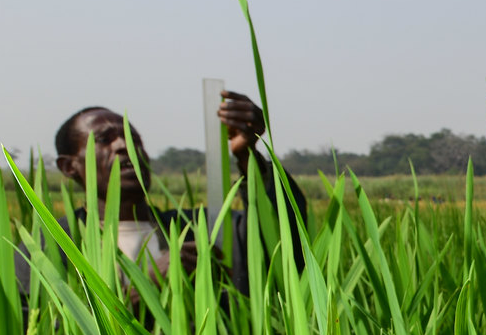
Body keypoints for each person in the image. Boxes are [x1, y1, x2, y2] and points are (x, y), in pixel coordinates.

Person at [48, 91, 306, 290]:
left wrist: (249, 156)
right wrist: (145, 286)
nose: (124, 145)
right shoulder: (55, 245)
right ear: (69, 166)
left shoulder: (199, 228)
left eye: (134, 138)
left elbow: (284, 238)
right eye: (104, 139)